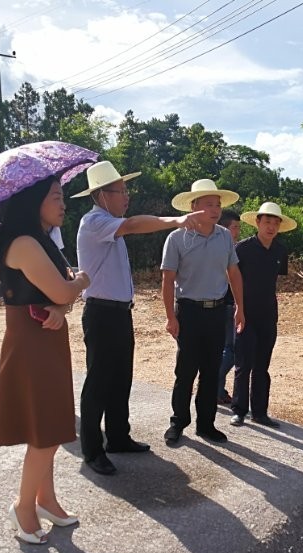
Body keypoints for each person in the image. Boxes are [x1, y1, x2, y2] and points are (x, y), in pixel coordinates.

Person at [74, 161, 202, 476]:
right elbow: (133, 225)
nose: (126, 196)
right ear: (102, 195)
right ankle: (92, 450)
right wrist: (178, 220)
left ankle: (117, 437)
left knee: (120, 379)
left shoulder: (108, 225)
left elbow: (127, 224)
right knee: (99, 383)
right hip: (102, 314)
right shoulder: (95, 222)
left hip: (118, 314)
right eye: (121, 191)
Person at [0, 175, 91, 544]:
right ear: (33, 202)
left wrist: (63, 305)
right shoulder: (25, 243)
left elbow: (61, 297)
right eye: (56, 197)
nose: (63, 204)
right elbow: (66, 287)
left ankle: (46, 500)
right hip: (31, 341)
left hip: (45, 334)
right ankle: (23, 506)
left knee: (48, 425)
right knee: (45, 431)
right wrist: (78, 284)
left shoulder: (44, 242)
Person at [161, 179, 245, 445]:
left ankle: (206, 424)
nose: (215, 209)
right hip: (189, 311)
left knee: (211, 371)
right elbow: (167, 279)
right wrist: (170, 317)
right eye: (208, 204)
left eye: (217, 205)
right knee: (185, 371)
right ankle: (178, 423)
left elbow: (234, 272)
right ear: (194, 206)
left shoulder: (224, 237)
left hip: (216, 312)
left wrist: (241, 308)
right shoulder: (177, 238)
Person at [229, 202, 297, 429]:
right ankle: (239, 410)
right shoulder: (242, 249)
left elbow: (275, 280)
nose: (271, 227)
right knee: (243, 364)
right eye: (267, 221)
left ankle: (259, 412)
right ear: (257, 222)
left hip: (268, 315)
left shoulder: (280, 250)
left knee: (262, 366)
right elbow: (231, 279)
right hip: (245, 314)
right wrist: (238, 309)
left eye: (275, 223)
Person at [216, 209, 242, 404]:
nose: (238, 232)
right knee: (231, 350)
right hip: (227, 304)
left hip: (227, 304)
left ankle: (217, 388)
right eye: (235, 227)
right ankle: (214, 384)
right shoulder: (225, 248)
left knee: (226, 348)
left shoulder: (227, 246)